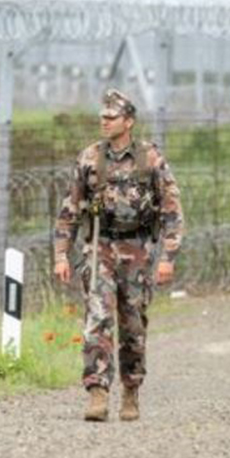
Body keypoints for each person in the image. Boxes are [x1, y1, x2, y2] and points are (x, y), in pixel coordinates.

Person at [53, 89, 184, 422]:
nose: (104, 121)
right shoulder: (89, 159)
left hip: (138, 251)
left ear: (128, 121)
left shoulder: (150, 159)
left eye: (111, 117)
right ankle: (97, 391)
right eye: (102, 116)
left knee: (133, 323)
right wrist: (61, 254)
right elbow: (69, 210)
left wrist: (168, 256)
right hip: (100, 247)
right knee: (97, 317)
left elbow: (171, 209)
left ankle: (131, 390)